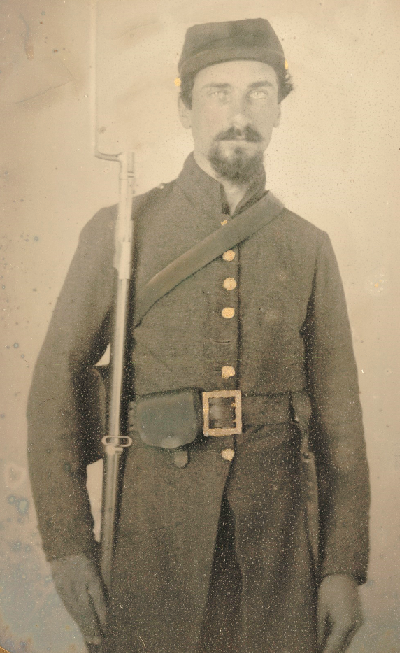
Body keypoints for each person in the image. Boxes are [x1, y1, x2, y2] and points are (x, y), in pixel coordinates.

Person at [27, 18, 370, 653]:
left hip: (278, 554)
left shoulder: (307, 246)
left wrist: (342, 568)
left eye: (259, 93)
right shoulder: (122, 229)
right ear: (185, 107)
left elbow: (340, 426)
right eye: (219, 93)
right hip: (151, 547)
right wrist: (69, 545)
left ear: (279, 108)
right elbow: (55, 385)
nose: (239, 115)